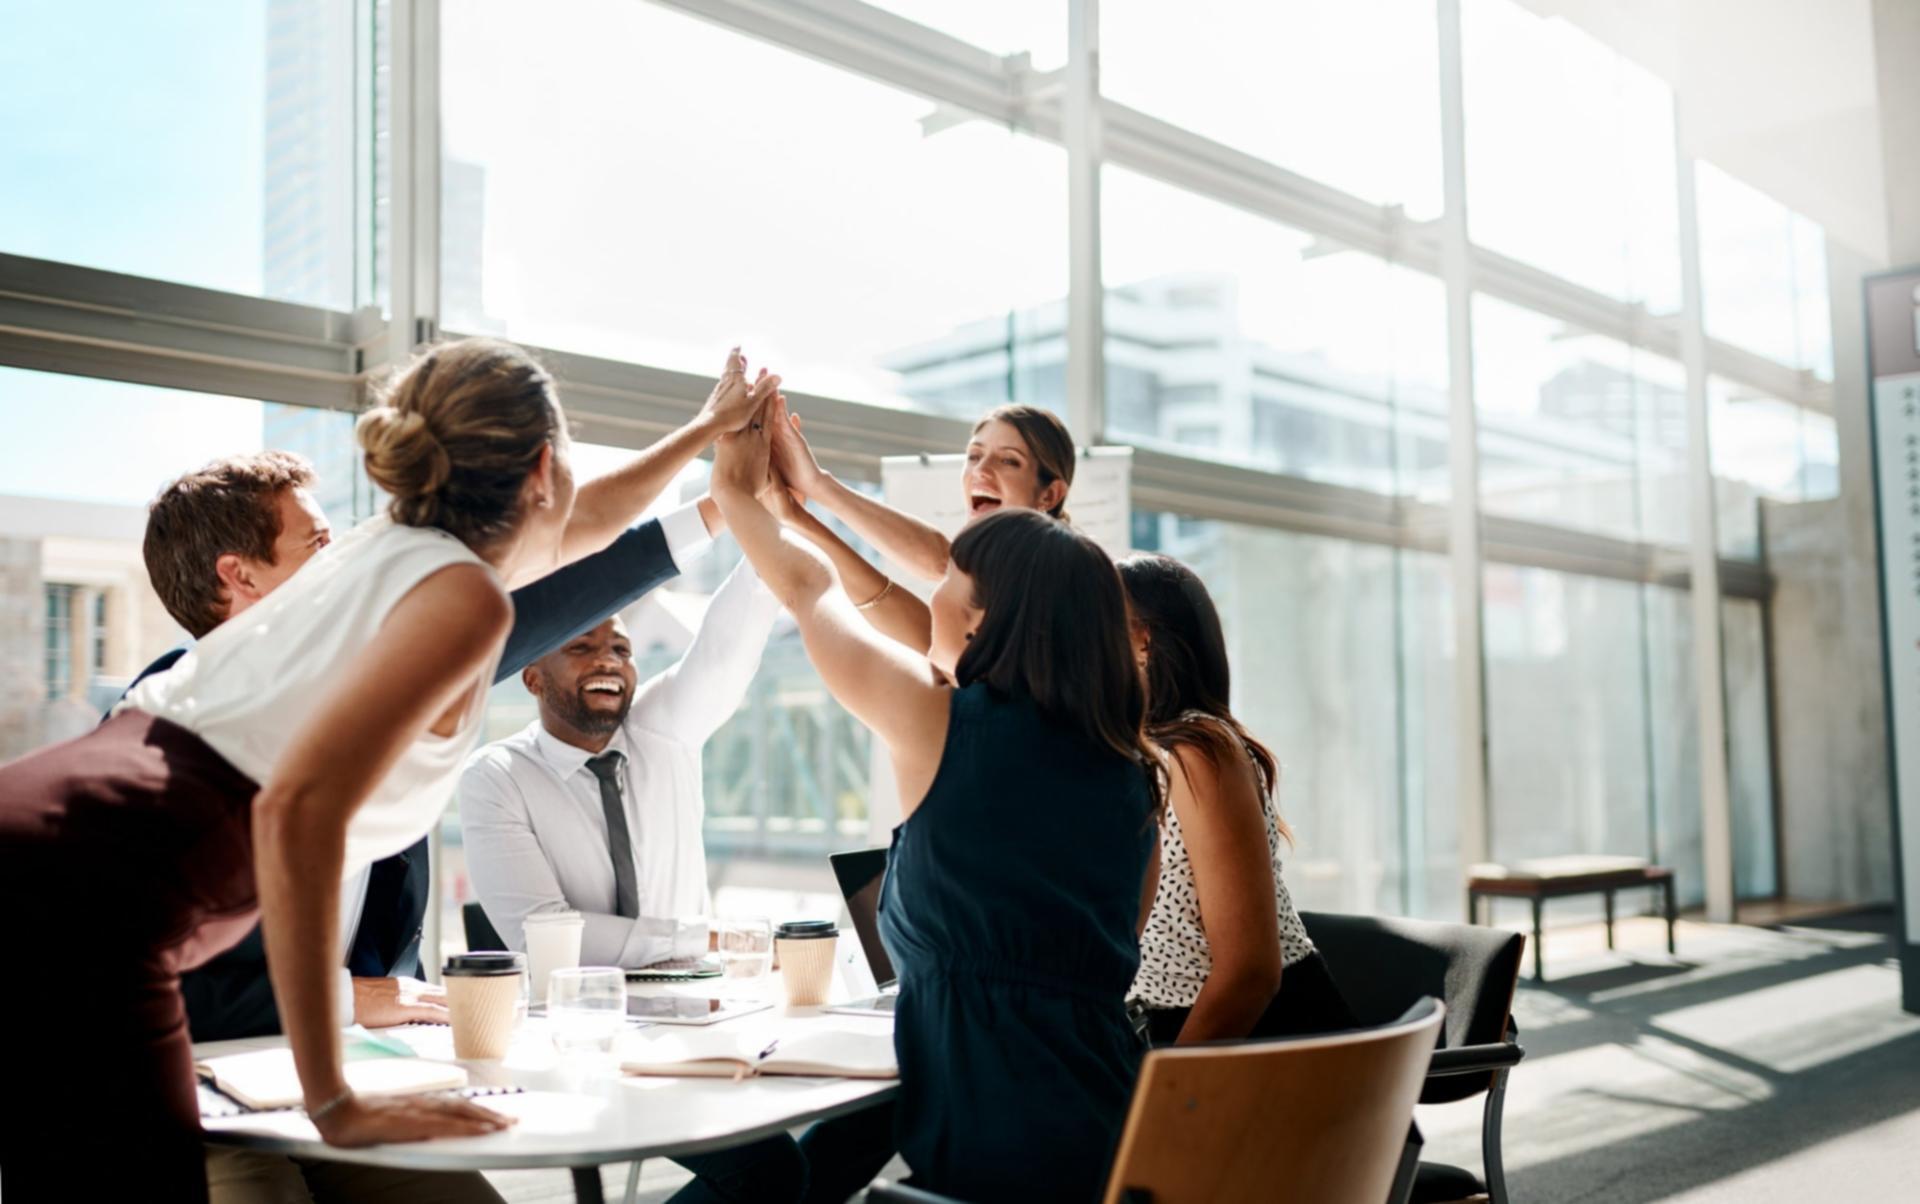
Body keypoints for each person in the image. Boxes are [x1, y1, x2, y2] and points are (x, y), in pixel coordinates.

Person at [0, 338, 773, 1202]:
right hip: (91, 901)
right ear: (540, 471)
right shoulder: (455, 596)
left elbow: (585, 527)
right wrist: (335, 1102)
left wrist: (707, 438)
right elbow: (295, 815)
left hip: (54, 840)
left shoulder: (388, 552)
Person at [128, 448, 721, 1204]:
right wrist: (355, 997)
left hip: (354, 1074)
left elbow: (544, 593)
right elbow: (153, 987)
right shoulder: (170, 727)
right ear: (240, 576)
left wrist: (716, 509)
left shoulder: (371, 682)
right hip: (203, 1096)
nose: (344, 562)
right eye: (317, 543)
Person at [712, 417, 1163, 1203]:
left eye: (948, 578)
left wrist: (732, 479)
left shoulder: (940, 723)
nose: (935, 592)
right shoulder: (1132, 776)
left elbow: (810, 590)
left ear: (982, 617)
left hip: (997, 1161)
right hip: (1117, 1141)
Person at [1118, 553, 1356, 1046]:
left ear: (1143, 640)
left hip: (1256, 1040)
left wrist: (1169, 1085)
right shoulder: (1140, 752)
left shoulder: (1197, 753)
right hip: (1175, 1033)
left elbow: (1249, 975)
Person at [767, 400, 1078, 652]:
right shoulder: (975, 631)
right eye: (974, 456)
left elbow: (943, 561)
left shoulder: (1063, 578)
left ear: (1049, 495)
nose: (981, 470)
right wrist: (798, 514)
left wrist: (817, 486)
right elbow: (912, 622)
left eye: (1009, 460)